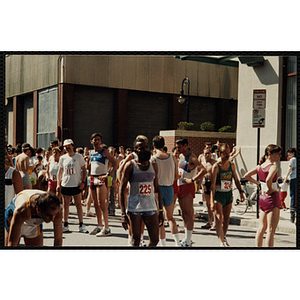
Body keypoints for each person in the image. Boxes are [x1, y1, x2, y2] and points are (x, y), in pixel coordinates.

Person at [120, 138, 164, 247]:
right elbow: (121, 189)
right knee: (135, 241)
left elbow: (157, 188)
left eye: (146, 147)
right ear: (135, 151)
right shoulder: (130, 166)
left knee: (155, 240)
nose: (145, 150)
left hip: (151, 207)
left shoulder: (153, 165)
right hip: (135, 208)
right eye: (141, 148)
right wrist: (123, 214)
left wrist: (161, 210)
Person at [244, 144, 282, 247]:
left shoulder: (260, 166)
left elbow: (246, 176)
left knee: (261, 227)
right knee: (270, 229)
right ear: (270, 154)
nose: (280, 156)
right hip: (272, 198)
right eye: (278, 154)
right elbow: (269, 179)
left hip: (262, 198)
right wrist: (270, 189)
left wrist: (259, 184)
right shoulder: (273, 167)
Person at [210, 143, 244, 247]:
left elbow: (236, 179)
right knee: (219, 218)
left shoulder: (231, 165)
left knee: (226, 219)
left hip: (228, 194)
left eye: (228, 153)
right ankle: (221, 242)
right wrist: (211, 201)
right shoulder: (216, 167)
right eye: (225, 153)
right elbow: (212, 186)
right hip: (218, 194)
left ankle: (223, 237)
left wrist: (241, 192)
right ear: (219, 153)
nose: (227, 155)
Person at [176, 137, 207, 247]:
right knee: (183, 214)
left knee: (188, 214)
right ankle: (186, 239)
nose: (178, 149)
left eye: (179, 147)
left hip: (187, 187)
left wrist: (193, 180)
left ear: (185, 146)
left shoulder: (192, 157)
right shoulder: (180, 156)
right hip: (179, 185)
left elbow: (203, 170)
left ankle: (188, 241)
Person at [87, 133, 117, 237]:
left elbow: (115, 162)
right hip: (93, 178)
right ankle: (99, 225)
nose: (97, 141)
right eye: (95, 140)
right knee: (95, 204)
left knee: (102, 204)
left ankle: (107, 227)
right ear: (91, 141)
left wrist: (108, 174)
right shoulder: (91, 152)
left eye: (98, 140)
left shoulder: (104, 151)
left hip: (101, 178)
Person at [152, 135, 180, 246]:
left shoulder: (153, 159)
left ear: (154, 146)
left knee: (159, 219)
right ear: (164, 145)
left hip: (157, 189)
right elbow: (176, 175)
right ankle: (177, 243)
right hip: (169, 188)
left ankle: (163, 244)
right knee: (170, 218)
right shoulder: (172, 157)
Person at [56, 139, 89, 233]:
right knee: (66, 205)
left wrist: (83, 182)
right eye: (66, 146)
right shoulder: (63, 158)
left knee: (78, 204)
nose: (67, 148)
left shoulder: (79, 157)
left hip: (76, 184)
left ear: (73, 146)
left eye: (69, 146)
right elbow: (60, 171)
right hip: (65, 184)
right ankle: (65, 224)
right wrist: (59, 183)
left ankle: (81, 224)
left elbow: (84, 169)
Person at [199, 148, 216, 230]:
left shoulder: (214, 163)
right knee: (208, 204)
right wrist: (199, 185)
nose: (207, 155)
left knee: (214, 204)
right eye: (206, 153)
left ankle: (215, 223)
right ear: (203, 154)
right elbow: (201, 175)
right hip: (206, 184)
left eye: (208, 153)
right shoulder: (203, 163)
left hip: (213, 184)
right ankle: (210, 222)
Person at [283, 148, 297, 223]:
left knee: (292, 195)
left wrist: (285, 178)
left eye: (290, 152)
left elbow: (290, 169)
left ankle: (292, 214)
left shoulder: (293, 160)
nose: (288, 154)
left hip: (293, 178)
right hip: (295, 178)